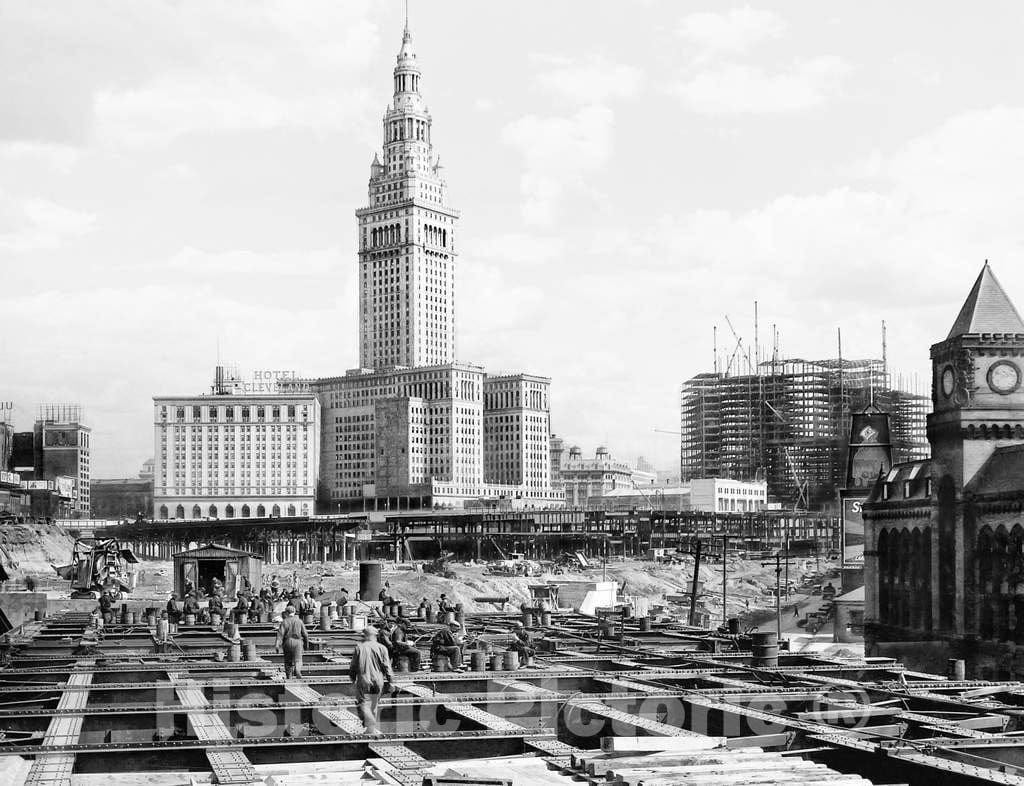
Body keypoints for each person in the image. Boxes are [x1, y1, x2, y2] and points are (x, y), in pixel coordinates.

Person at [348, 626, 394, 736]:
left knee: (364, 703)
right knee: (374, 704)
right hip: (378, 680)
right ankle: (370, 730)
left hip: (364, 679)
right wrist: (391, 681)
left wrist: (352, 677)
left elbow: (353, 665)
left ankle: (371, 724)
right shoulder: (382, 648)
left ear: (366, 635)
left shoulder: (359, 647)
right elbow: (387, 666)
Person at [275, 605, 310, 678]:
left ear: (287, 613)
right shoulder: (299, 621)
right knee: (298, 659)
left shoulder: (284, 621)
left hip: (287, 642)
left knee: (288, 661)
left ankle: (289, 677)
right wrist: (306, 645)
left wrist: (277, 645)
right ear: (294, 612)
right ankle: (297, 670)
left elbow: (280, 635)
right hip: (297, 642)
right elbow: (305, 635)